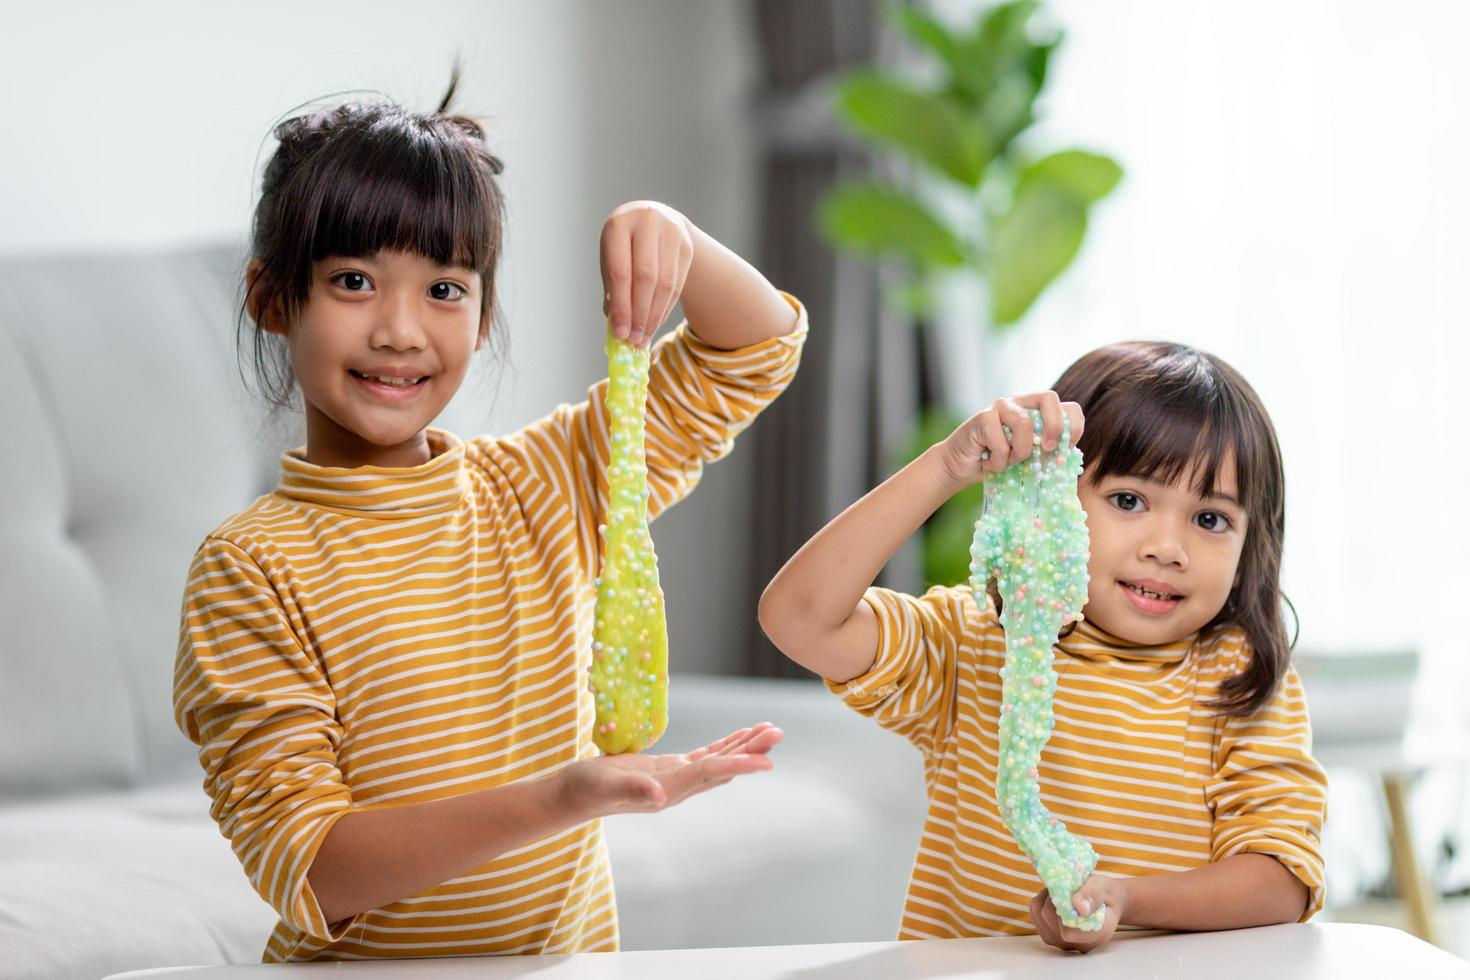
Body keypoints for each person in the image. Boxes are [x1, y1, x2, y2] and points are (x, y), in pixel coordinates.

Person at [173, 70, 804, 962]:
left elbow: (758, 349)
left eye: (444, 289)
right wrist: (565, 796)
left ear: (482, 311)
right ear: (273, 299)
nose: (400, 330)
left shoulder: (550, 483)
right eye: (355, 281)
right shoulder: (250, 567)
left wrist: (682, 241)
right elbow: (310, 868)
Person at [759, 341, 1327, 953]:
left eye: (1210, 519)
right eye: (1128, 501)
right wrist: (945, 468)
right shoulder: (972, 644)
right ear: (1053, 498)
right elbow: (799, 619)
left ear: (1251, 546)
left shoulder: (1239, 677)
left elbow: (1283, 879)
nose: (1168, 547)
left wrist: (1127, 899)